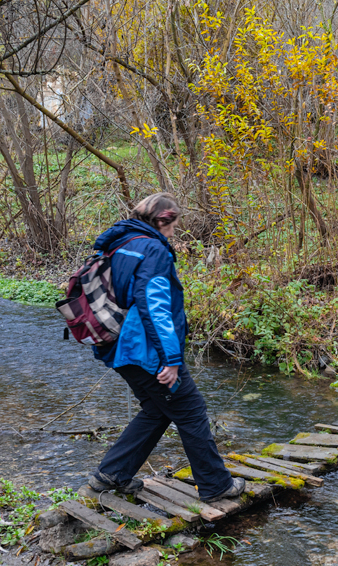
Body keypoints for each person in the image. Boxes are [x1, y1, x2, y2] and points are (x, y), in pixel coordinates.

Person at [86, 193, 244, 503]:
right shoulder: (153, 249)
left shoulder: (120, 244)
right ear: (163, 220)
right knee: (191, 410)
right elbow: (154, 308)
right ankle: (216, 486)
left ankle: (111, 474)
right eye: (173, 224)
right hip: (144, 351)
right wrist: (170, 360)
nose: (174, 230)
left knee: (158, 409)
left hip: (117, 347)